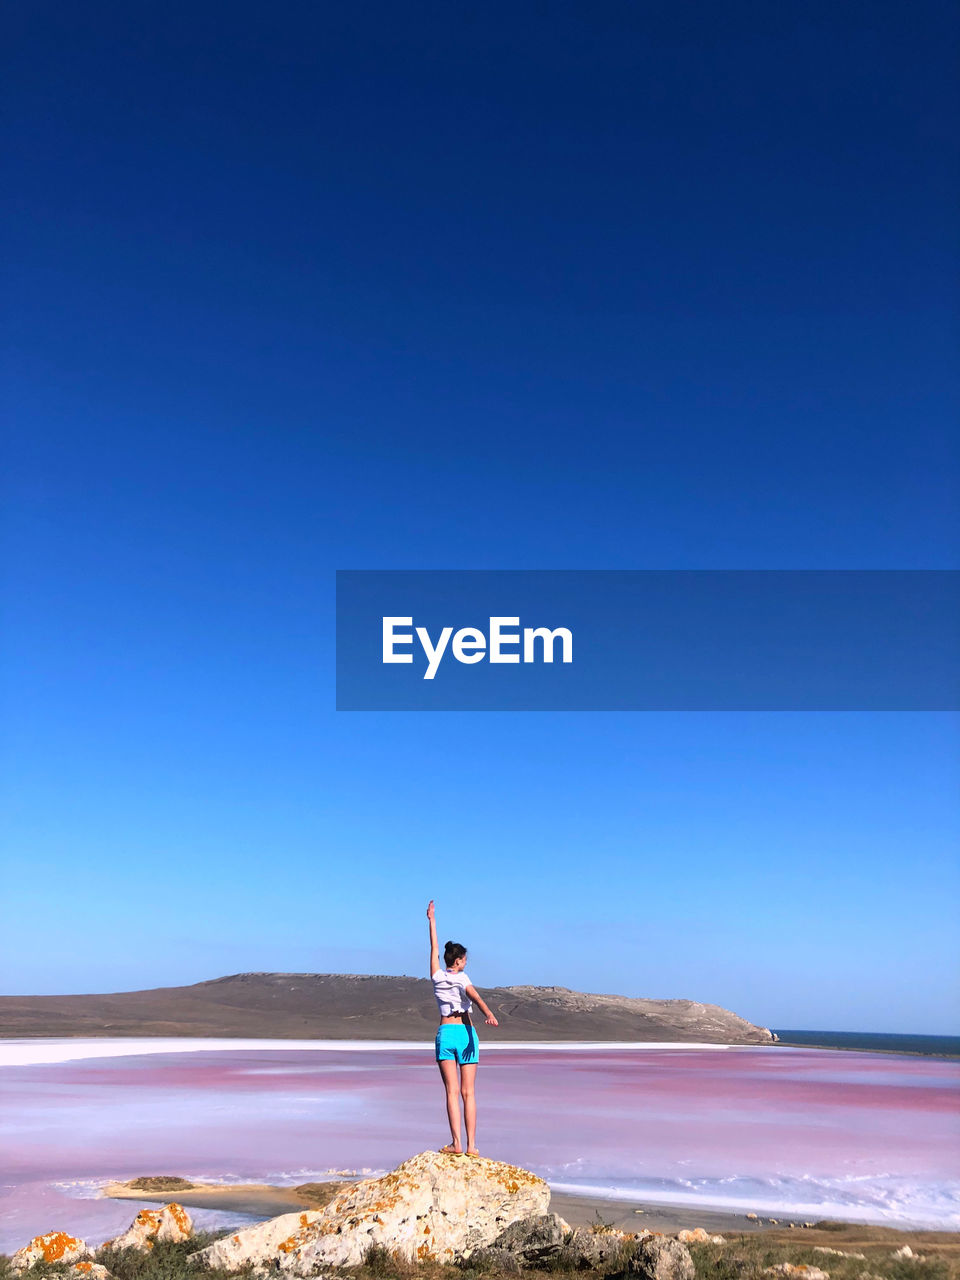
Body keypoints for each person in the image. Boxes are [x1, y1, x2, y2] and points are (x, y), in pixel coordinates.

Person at [426, 899, 498, 1156]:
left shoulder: (436, 976)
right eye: (464, 959)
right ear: (457, 961)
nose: (466, 963)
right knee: (468, 1093)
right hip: (466, 1034)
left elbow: (434, 948)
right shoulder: (462, 978)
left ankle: (456, 1143)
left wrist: (432, 921)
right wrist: (489, 1014)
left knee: (452, 1092)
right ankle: (470, 1146)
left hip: (445, 1034)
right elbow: (475, 997)